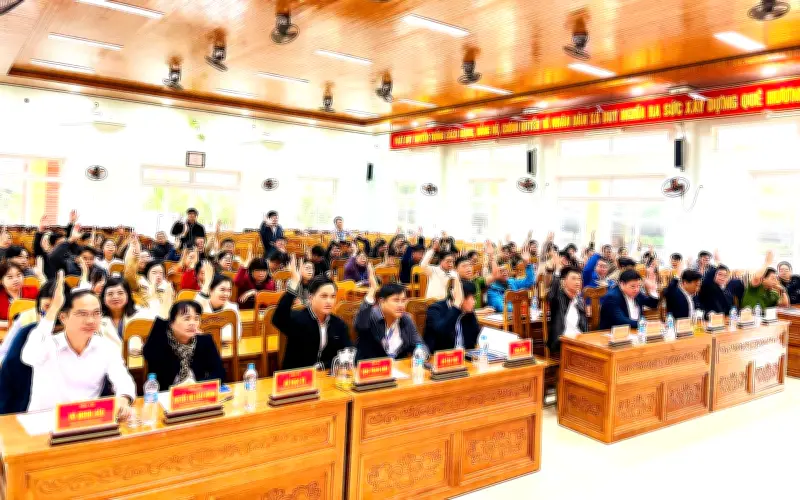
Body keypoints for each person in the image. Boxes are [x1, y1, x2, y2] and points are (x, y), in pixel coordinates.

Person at [21, 273, 135, 417]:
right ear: (63, 317)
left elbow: (123, 379)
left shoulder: (106, 347)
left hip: (86, 419)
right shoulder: (48, 344)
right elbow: (28, 356)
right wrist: (54, 309)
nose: (90, 320)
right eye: (82, 314)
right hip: (45, 421)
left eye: (96, 313)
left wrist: (123, 400)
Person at [272, 256, 351, 370]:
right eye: (324, 296)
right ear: (310, 297)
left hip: (326, 376)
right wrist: (295, 282)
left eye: (333, 296)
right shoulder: (298, 319)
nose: (329, 301)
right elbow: (278, 318)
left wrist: (323, 366)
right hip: (298, 376)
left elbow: (348, 352)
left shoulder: (338, 324)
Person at [143, 288, 225, 388]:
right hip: (167, 394)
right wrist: (162, 317)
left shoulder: (205, 341)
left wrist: (196, 385)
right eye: (187, 318)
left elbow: (219, 374)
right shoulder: (162, 342)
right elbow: (148, 353)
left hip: (197, 393)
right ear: (171, 323)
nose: (193, 323)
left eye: (196, 319)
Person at [355, 264, 424, 361]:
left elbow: (419, 344)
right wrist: (372, 290)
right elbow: (360, 325)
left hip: (399, 368)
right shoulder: (372, 316)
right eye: (396, 300)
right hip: (373, 367)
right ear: (382, 302)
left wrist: (421, 353)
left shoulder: (406, 319)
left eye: (403, 300)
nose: (401, 305)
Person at [424, 279, 480, 353]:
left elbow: (477, 337)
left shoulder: (469, 313)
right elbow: (441, 333)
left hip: (465, 357)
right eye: (472, 298)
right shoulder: (435, 309)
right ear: (461, 297)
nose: (474, 302)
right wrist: (456, 306)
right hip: (441, 357)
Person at [194, 263, 242, 343]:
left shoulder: (233, 307)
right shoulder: (202, 302)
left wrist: (205, 335)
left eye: (229, 290)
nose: (226, 294)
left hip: (224, 348)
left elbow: (236, 335)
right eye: (222, 290)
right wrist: (206, 285)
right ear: (210, 290)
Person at [547, 266, 588, 354]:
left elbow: (584, 327)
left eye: (579, 279)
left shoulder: (579, 300)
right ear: (563, 281)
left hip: (580, 342)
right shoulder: (558, 299)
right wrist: (557, 272)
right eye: (573, 278)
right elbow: (552, 293)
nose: (577, 282)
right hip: (562, 344)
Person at [0, 262, 38, 328]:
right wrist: (11, 324)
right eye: (10, 277)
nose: (16, 280)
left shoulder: (34, 291)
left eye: (18, 275)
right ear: (1, 281)